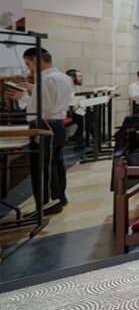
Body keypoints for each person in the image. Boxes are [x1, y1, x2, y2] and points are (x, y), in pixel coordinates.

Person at [9, 48, 73, 215]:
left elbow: (39, 108)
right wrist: (33, 90)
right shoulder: (64, 77)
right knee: (56, 163)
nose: (28, 68)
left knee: (43, 167)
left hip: (44, 125)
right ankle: (60, 197)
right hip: (58, 124)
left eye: (28, 63)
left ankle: (48, 204)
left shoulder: (44, 80)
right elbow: (54, 100)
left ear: (36, 60)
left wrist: (22, 97)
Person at [65, 68, 85, 146]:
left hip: (75, 110)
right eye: (79, 76)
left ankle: (78, 136)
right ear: (72, 78)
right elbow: (70, 102)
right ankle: (78, 137)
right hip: (66, 112)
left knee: (90, 115)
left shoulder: (76, 86)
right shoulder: (66, 87)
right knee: (82, 116)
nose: (81, 78)